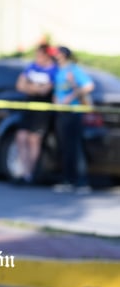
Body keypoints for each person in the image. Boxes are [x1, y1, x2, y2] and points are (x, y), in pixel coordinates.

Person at [51, 46, 94, 194]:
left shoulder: (73, 70)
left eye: (58, 54)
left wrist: (71, 95)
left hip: (74, 112)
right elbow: (57, 91)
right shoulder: (58, 71)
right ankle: (67, 180)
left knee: (75, 148)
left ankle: (81, 182)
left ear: (64, 55)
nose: (56, 56)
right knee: (65, 148)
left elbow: (88, 86)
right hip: (62, 113)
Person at [13, 43, 57, 185]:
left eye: (39, 54)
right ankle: (24, 171)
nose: (37, 57)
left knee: (34, 140)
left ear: (46, 55)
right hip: (28, 107)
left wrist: (30, 87)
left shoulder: (54, 70)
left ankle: (30, 173)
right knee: (21, 137)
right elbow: (20, 85)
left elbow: (45, 91)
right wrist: (35, 88)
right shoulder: (32, 66)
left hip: (42, 111)